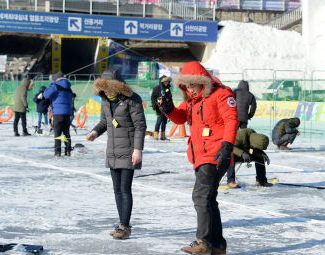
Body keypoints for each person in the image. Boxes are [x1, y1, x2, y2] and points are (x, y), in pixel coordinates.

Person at [158, 61, 239, 255]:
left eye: (192, 85)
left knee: (200, 196)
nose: (190, 89)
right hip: (200, 154)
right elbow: (180, 118)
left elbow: (232, 119)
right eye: (186, 86)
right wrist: (168, 109)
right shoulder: (192, 100)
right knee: (209, 199)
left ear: (202, 81)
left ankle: (202, 241)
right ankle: (218, 245)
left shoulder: (221, 93)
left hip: (215, 153)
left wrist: (227, 146)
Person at [86, 69, 146, 240]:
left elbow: (140, 126)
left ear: (119, 86)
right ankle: (121, 223)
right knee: (117, 190)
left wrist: (137, 150)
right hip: (112, 151)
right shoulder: (105, 100)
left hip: (128, 150)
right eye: (105, 88)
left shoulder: (132, 100)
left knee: (125, 189)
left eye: (111, 88)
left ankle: (125, 226)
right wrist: (95, 132)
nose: (108, 91)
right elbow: (104, 121)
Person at [43, 71, 73, 156]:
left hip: (58, 113)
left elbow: (46, 95)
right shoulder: (69, 87)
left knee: (58, 133)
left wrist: (51, 85)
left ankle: (58, 151)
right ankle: (68, 150)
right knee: (66, 132)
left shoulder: (55, 86)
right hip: (67, 113)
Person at [150, 75, 172, 140]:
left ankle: (162, 136)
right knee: (159, 121)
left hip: (166, 108)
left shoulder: (168, 89)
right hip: (158, 108)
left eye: (167, 81)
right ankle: (155, 134)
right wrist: (154, 105)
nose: (166, 83)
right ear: (162, 82)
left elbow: (170, 97)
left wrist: (168, 100)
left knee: (164, 121)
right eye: (165, 82)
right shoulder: (156, 88)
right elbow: (153, 98)